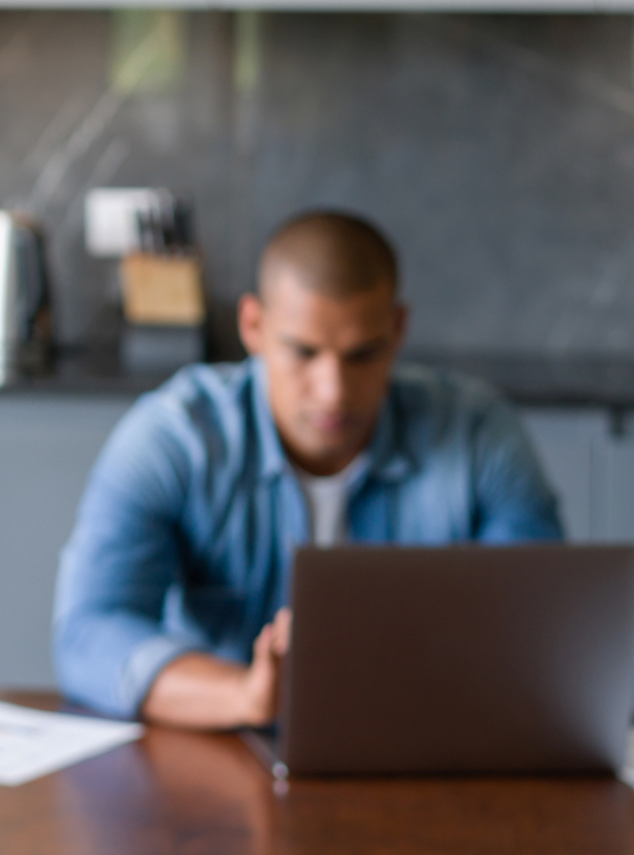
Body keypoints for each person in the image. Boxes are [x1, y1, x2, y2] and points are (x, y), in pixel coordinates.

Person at [52, 209, 561, 729]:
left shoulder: (478, 435)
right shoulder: (175, 439)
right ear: (254, 325)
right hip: (228, 751)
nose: (333, 391)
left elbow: (540, 629)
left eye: (363, 355)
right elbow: (90, 633)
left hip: (425, 743)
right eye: (303, 352)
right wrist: (243, 695)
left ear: (398, 329)